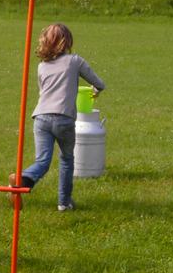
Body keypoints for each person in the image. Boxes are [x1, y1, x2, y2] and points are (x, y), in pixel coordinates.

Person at [9, 23, 105, 212]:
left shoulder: (42, 66)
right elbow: (98, 83)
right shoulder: (74, 61)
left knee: (42, 161)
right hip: (64, 118)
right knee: (67, 159)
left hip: (41, 117)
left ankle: (23, 179)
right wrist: (95, 90)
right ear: (67, 41)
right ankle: (64, 202)